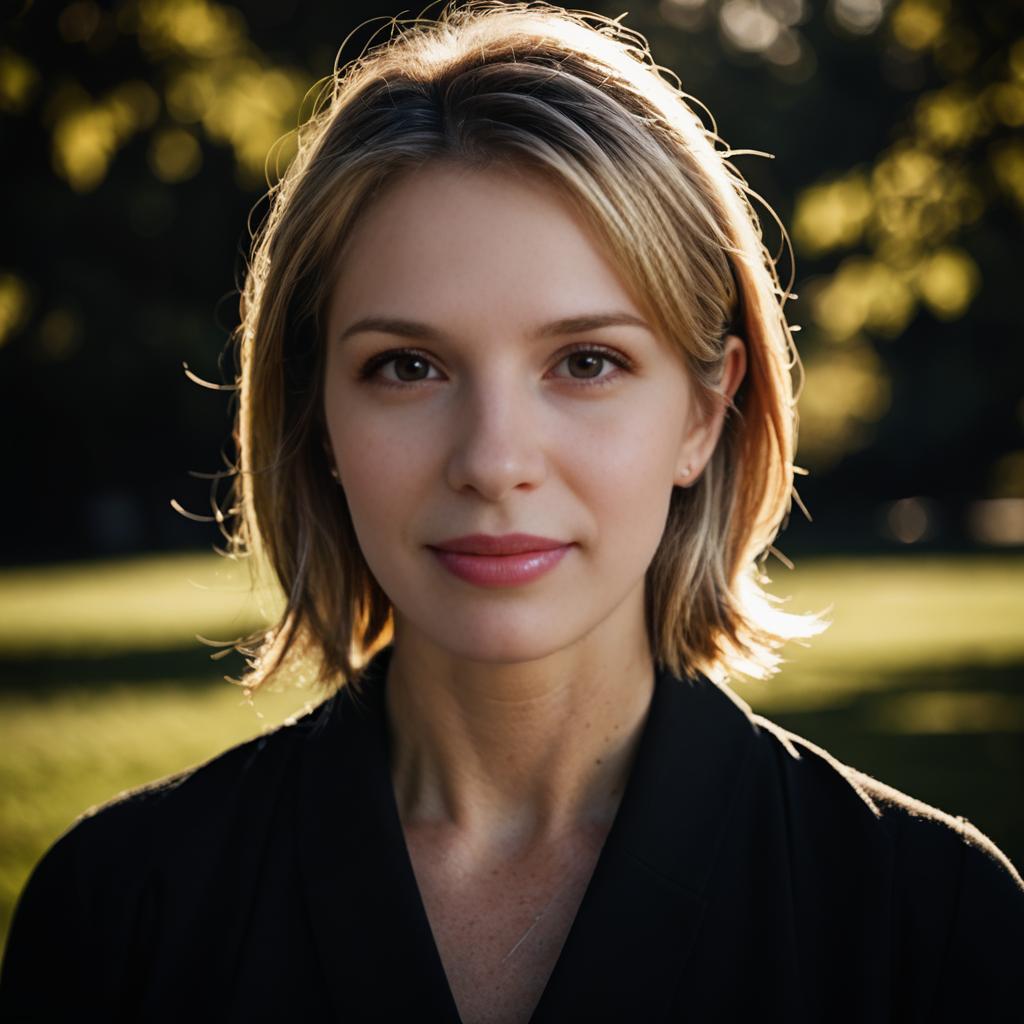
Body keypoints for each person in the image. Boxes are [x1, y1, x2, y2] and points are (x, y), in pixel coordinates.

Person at [2, 2, 1022, 1021]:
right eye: (407, 366)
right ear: (315, 414)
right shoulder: (119, 916)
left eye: (586, 362)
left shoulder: (929, 924)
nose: (492, 462)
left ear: (705, 411)